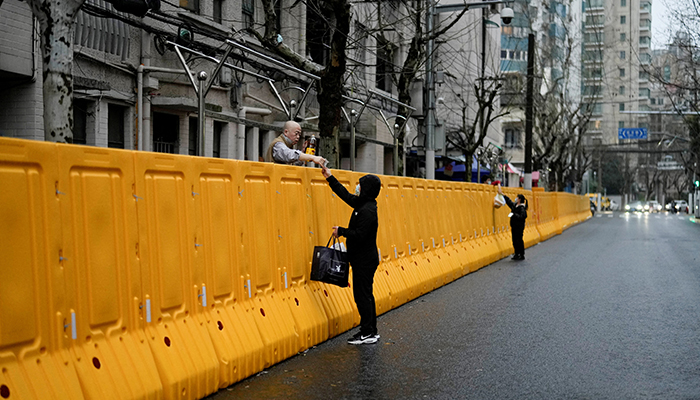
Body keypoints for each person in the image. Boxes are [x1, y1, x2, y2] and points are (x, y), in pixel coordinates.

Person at [321, 163, 382, 345]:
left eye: (360, 185)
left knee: (362, 296)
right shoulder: (364, 204)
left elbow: (360, 235)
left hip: (364, 260)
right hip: (362, 259)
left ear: (367, 189)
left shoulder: (367, 211)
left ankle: (368, 332)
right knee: (366, 295)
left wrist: (342, 231)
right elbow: (346, 196)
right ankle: (370, 330)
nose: (357, 187)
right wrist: (329, 177)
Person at [498, 185, 528, 261]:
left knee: (519, 240)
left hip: (519, 226)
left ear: (519, 199)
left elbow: (523, 216)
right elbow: (509, 202)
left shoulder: (522, 208)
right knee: (514, 240)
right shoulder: (515, 206)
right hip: (514, 226)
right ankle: (516, 253)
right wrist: (503, 195)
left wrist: (514, 214)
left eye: (517, 198)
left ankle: (521, 254)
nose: (516, 199)